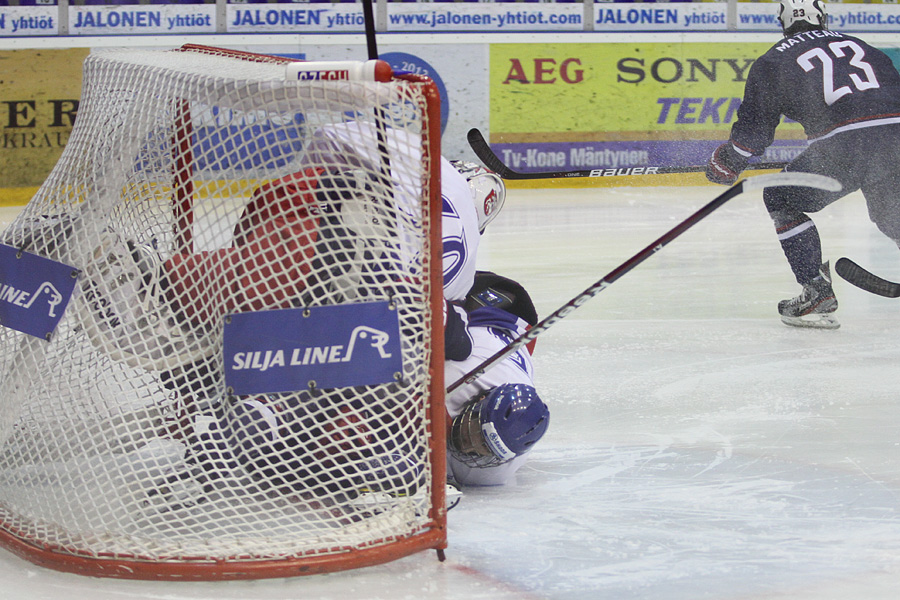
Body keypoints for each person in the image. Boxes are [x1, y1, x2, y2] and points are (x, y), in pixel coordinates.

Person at [705, 0, 900, 330]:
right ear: (823, 18)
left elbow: (756, 128)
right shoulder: (862, 47)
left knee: (781, 198)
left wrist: (728, 161)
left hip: (846, 146)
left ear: (782, 22)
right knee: (889, 211)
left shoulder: (774, 59)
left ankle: (815, 289)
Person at [444, 271, 549, 487]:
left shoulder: (499, 466)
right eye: (475, 433)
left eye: (484, 449)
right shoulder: (456, 379)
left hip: (512, 342)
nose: (470, 448)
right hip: (489, 309)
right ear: (480, 399)